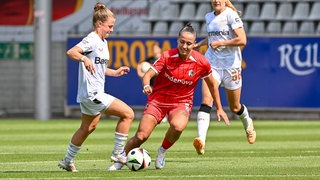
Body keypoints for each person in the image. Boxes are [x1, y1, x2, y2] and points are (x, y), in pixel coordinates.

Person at [108, 23, 230, 171]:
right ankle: (120, 161)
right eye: (182, 42)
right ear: (177, 40)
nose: (185, 46)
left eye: (189, 43)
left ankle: (162, 151)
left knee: (178, 126)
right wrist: (146, 85)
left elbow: (212, 85)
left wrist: (219, 107)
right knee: (141, 136)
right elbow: (148, 74)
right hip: (158, 100)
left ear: (194, 44)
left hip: (181, 102)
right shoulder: (167, 56)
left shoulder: (201, 62)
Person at [58, 2, 134, 172]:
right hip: (93, 93)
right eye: (110, 26)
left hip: (90, 94)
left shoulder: (103, 41)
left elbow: (97, 67)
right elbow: (71, 52)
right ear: (100, 23)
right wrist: (84, 59)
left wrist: (114, 72)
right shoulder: (91, 39)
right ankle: (117, 154)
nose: (111, 30)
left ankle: (67, 161)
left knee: (88, 127)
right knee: (128, 114)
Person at [193, 0, 256, 155]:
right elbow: (212, 38)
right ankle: (201, 140)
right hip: (211, 64)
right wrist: (200, 44)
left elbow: (242, 40)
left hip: (231, 66)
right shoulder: (209, 16)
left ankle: (248, 123)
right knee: (207, 100)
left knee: (235, 107)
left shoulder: (231, 15)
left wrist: (223, 42)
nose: (215, 0)